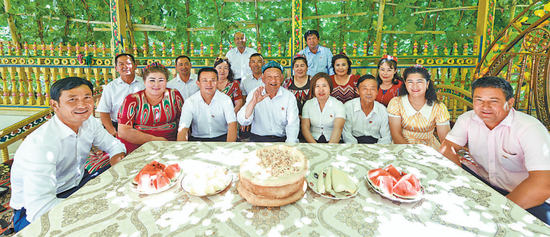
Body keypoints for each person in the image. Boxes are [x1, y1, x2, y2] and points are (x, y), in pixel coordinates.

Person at [10, 77, 126, 233]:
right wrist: (93, 206)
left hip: (76, 184)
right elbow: (39, 209)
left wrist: (116, 159)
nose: (82, 105)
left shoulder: (89, 122)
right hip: (33, 213)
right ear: (55, 105)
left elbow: (114, 145)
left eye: (87, 97)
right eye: (72, 99)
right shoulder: (42, 145)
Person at [439, 76, 550, 225]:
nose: (485, 107)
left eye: (493, 101)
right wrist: (461, 181)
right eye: (478, 100)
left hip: (525, 196)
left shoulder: (529, 129)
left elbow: (542, 185)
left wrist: (497, 211)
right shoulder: (467, 119)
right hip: (485, 182)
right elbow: (447, 149)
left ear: (509, 103)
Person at [117, 63, 184, 153]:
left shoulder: (174, 95)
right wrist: (155, 140)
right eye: (152, 80)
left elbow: (183, 123)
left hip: (167, 145)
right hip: (136, 146)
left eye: (161, 80)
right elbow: (123, 132)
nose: (156, 84)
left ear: (166, 81)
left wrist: (179, 146)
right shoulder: (132, 99)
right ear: (144, 82)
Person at [387, 65, 450, 150]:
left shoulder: (439, 107)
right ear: (405, 84)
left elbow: (444, 140)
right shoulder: (396, 103)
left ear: (427, 84)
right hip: (402, 146)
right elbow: (396, 135)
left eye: (419, 82)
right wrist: (411, 153)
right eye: (410, 82)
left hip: (429, 148)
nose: (414, 86)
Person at [237, 61, 300, 143]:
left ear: (282, 78)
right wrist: (253, 102)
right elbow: (243, 121)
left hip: (281, 139)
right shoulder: (255, 93)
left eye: (277, 77)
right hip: (258, 139)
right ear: (263, 79)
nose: (273, 81)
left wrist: (290, 145)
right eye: (269, 77)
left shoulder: (289, 97)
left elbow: (292, 124)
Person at [177, 68, 238, 142]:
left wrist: (228, 147)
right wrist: (182, 148)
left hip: (222, 137)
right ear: (198, 83)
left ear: (217, 82)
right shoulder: (190, 102)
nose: (209, 84)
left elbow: (232, 124)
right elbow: (183, 129)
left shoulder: (226, 100)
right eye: (205, 80)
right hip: (198, 139)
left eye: (213, 80)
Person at [96, 54, 144, 137]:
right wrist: (113, 132)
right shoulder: (110, 87)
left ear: (135, 66)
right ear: (116, 68)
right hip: (118, 126)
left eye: (128, 63)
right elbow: (104, 112)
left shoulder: (146, 83)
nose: (125, 66)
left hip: (143, 126)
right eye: (121, 64)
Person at [342, 75, 391, 144]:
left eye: (372, 89)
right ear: (357, 90)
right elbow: (347, 135)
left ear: (377, 91)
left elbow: (386, 137)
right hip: (354, 142)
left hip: (376, 144)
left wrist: (377, 150)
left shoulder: (382, 110)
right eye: (364, 89)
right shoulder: (348, 107)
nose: (369, 92)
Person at [302, 72, 345, 143]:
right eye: (317, 86)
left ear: (330, 87)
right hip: (313, 140)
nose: (321, 89)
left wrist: (330, 148)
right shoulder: (308, 104)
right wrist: (315, 146)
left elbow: (338, 128)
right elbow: (305, 128)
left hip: (333, 141)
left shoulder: (338, 105)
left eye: (324, 86)